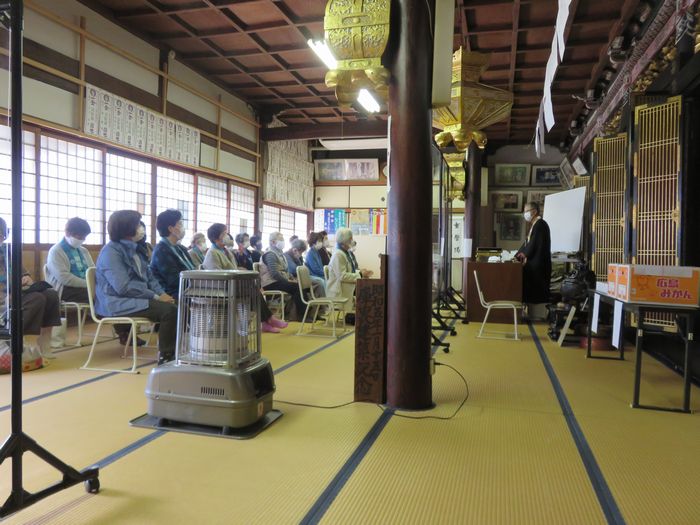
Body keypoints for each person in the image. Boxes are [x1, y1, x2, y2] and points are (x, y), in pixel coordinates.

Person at [95, 210, 178, 364]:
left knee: (175, 305)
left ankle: (174, 351)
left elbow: (150, 278)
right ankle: (166, 356)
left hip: (135, 298)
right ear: (126, 228)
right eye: (138, 224)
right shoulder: (110, 252)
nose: (141, 228)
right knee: (170, 311)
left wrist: (162, 294)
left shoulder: (135, 248)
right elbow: (122, 287)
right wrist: (155, 296)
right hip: (116, 302)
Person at [202, 223, 287, 333]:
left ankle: (267, 321)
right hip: (222, 289)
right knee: (252, 291)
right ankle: (268, 320)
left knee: (253, 289)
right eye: (224, 233)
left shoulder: (226, 251)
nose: (227, 235)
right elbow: (216, 276)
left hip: (233, 285)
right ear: (216, 237)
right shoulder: (212, 253)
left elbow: (233, 268)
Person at [0, 217, 62, 359]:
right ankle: (15, 340)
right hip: (4, 299)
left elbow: (22, 272)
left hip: (14, 294)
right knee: (36, 299)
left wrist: (26, 278)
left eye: (2, 235)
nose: (1, 239)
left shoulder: (6, 251)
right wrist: (6, 297)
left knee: (51, 294)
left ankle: (44, 342)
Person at [45, 217, 95, 303]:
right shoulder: (56, 251)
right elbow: (64, 278)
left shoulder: (84, 251)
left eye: (84, 237)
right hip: (64, 290)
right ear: (67, 233)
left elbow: (92, 270)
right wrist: (89, 284)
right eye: (80, 236)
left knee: (103, 293)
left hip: (86, 287)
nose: (82, 239)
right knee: (99, 296)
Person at [327, 228, 372, 321]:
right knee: (366, 291)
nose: (352, 241)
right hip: (339, 288)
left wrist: (361, 273)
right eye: (350, 239)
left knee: (368, 288)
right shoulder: (338, 255)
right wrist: (360, 274)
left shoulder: (346, 253)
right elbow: (342, 276)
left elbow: (350, 271)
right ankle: (362, 319)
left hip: (346, 285)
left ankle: (361, 318)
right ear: (344, 242)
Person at [150, 209, 196, 300]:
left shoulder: (181, 248)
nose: (183, 227)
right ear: (171, 228)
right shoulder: (161, 250)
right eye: (180, 223)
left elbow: (192, 269)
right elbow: (174, 281)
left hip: (188, 291)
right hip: (173, 296)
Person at [260, 232, 306, 321]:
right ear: (272, 242)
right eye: (280, 239)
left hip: (278, 281)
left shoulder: (279, 254)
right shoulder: (270, 254)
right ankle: (302, 315)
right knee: (297, 288)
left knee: (299, 285)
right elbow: (274, 274)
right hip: (270, 283)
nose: (283, 241)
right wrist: (287, 281)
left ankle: (298, 313)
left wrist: (291, 278)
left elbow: (285, 271)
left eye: (283, 239)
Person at [515, 202, 552, 305]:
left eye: (527, 211)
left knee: (534, 290)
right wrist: (518, 253)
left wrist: (523, 254)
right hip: (535, 262)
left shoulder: (540, 224)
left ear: (534, 212)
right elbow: (527, 243)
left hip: (538, 264)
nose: (525, 214)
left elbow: (534, 243)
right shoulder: (535, 224)